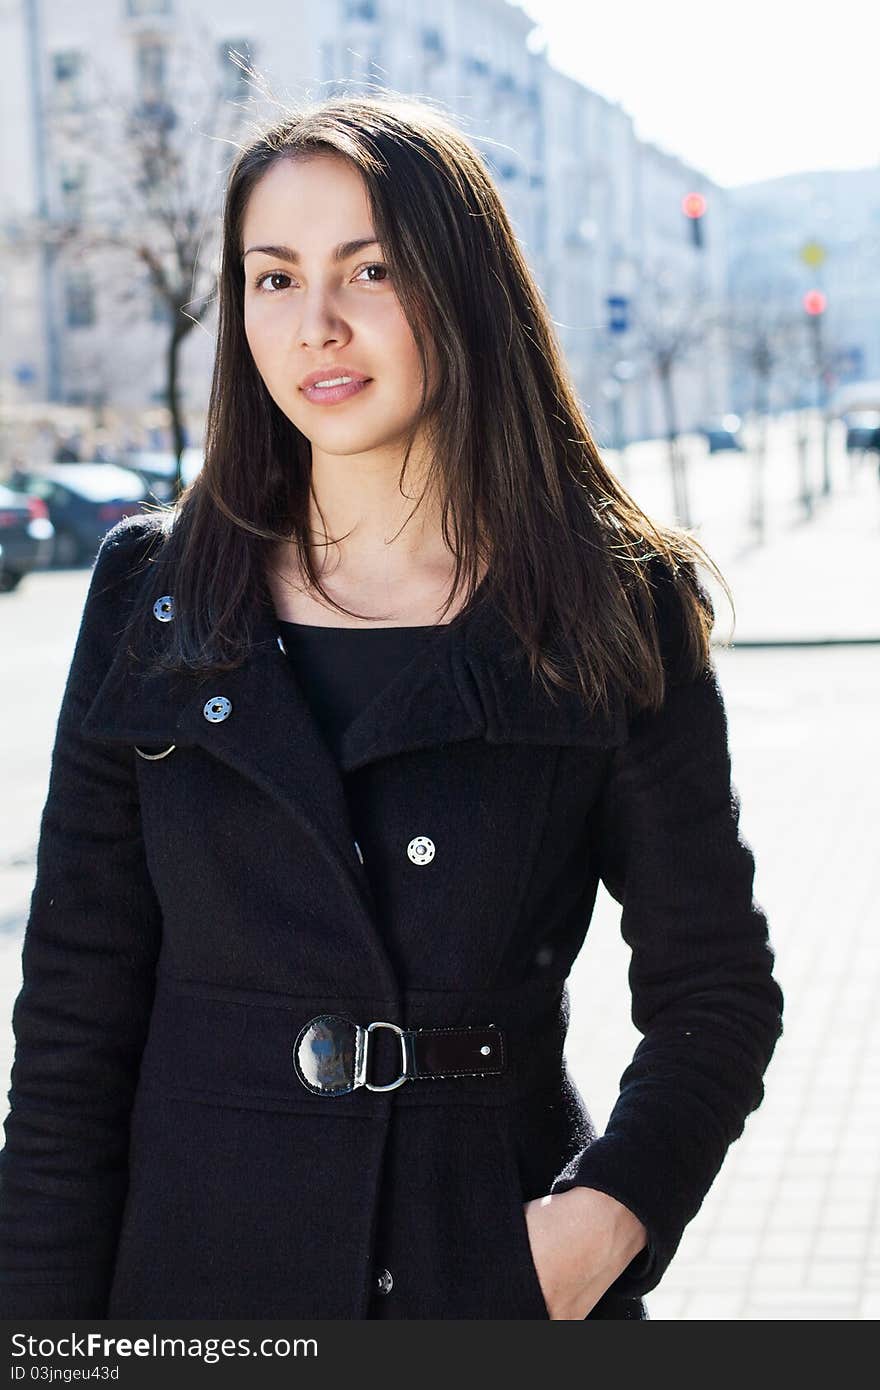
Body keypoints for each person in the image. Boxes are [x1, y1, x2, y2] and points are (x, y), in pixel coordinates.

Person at [0, 93, 783, 1321]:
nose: (315, 323)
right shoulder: (153, 592)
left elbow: (716, 985)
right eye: (272, 277)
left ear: (462, 287)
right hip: (199, 1281)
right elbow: (69, 1026)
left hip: (490, 1270)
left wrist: (601, 1221)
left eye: (369, 269)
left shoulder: (613, 601)